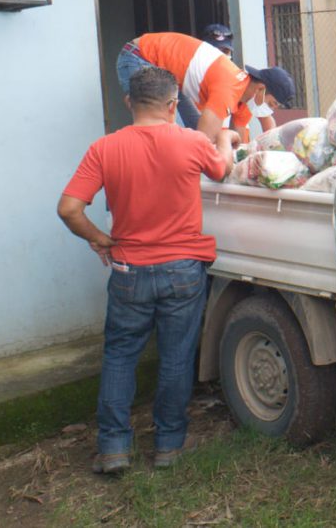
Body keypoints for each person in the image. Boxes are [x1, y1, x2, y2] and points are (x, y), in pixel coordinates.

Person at [57, 66, 238, 475]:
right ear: (174, 104)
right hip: (183, 271)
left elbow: (69, 208)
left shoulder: (104, 148)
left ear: (128, 103)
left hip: (128, 272)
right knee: (176, 358)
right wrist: (225, 137)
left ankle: (114, 448)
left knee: (120, 356)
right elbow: (223, 170)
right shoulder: (192, 141)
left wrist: (99, 238)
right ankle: (169, 447)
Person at [115, 31, 294, 141]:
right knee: (165, 134)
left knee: (188, 131)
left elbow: (236, 144)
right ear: (261, 89)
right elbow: (204, 140)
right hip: (139, 56)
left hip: (171, 76)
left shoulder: (246, 99)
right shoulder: (229, 89)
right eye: (271, 104)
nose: (268, 110)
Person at [201, 23, 282, 132]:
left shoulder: (238, 81)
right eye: (216, 50)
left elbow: (266, 119)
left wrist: (271, 144)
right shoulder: (190, 79)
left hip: (233, 141)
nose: (220, 55)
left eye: (225, 51)